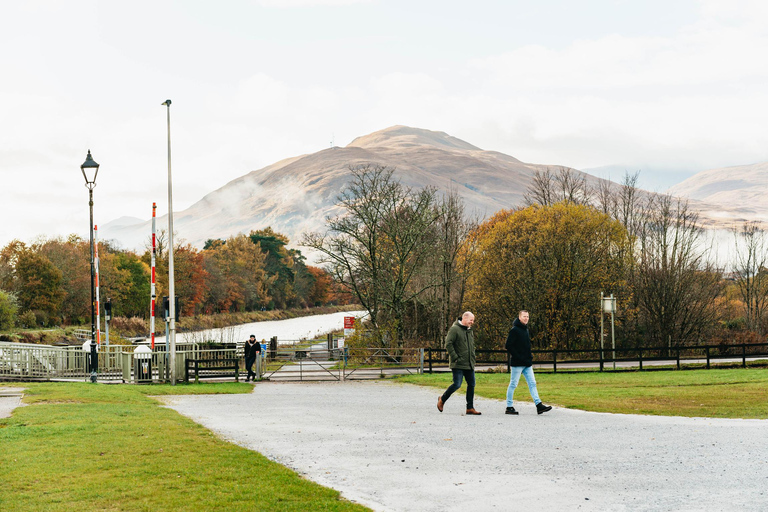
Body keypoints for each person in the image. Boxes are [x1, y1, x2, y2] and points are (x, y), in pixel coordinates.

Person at [505, 310, 552, 415]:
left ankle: (539, 405)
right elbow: (508, 345)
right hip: (517, 363)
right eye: (524, 316)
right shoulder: (515, 330)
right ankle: (509, 406)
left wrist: (529, 357)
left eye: (527, 316)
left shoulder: (525, 330)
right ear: (519, 317)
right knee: (513, 384)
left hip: (527, 363)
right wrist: (518, 356)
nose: (526, 318)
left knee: (532, 383)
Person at [437, 311, 481, 415]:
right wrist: (455, 357)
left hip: (469, 363)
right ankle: (442, 399)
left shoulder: (469, 331)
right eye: (471, 320)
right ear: (464, 318)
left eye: (473, 320)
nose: (472, 322)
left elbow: (471, 346)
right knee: (457, 384)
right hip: (458, 363)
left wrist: (473, 358)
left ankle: (470, 408)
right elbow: (448, 343)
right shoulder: (454, 329)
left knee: (472, 384)